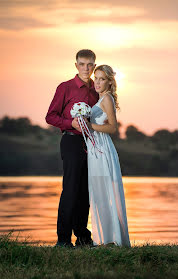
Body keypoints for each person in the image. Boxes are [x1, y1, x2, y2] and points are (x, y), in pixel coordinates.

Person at [45, 49, 98, 248]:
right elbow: (50, 116)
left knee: (85, 193)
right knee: (70, 191)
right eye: (82, 64)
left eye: (90, 64)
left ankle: (83, 239)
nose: (86, 68)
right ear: (76, 65)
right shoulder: (65, 87)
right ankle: (63, 240)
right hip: (71, 141)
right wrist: (71, 123)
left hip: (91, 145)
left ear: (94, 66)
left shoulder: (96, 89)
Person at [74, 65, 131, 247]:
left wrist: (90, 126)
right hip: (94, 150)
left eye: (102, 79)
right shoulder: (100, 99)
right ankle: (107, 239)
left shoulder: (106, 99)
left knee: (105, 192)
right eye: (96, 78)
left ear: (109, 82)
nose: (97, 82)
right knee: (99, 193)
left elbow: (113, 128)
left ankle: (112, 239)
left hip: (102, 150)